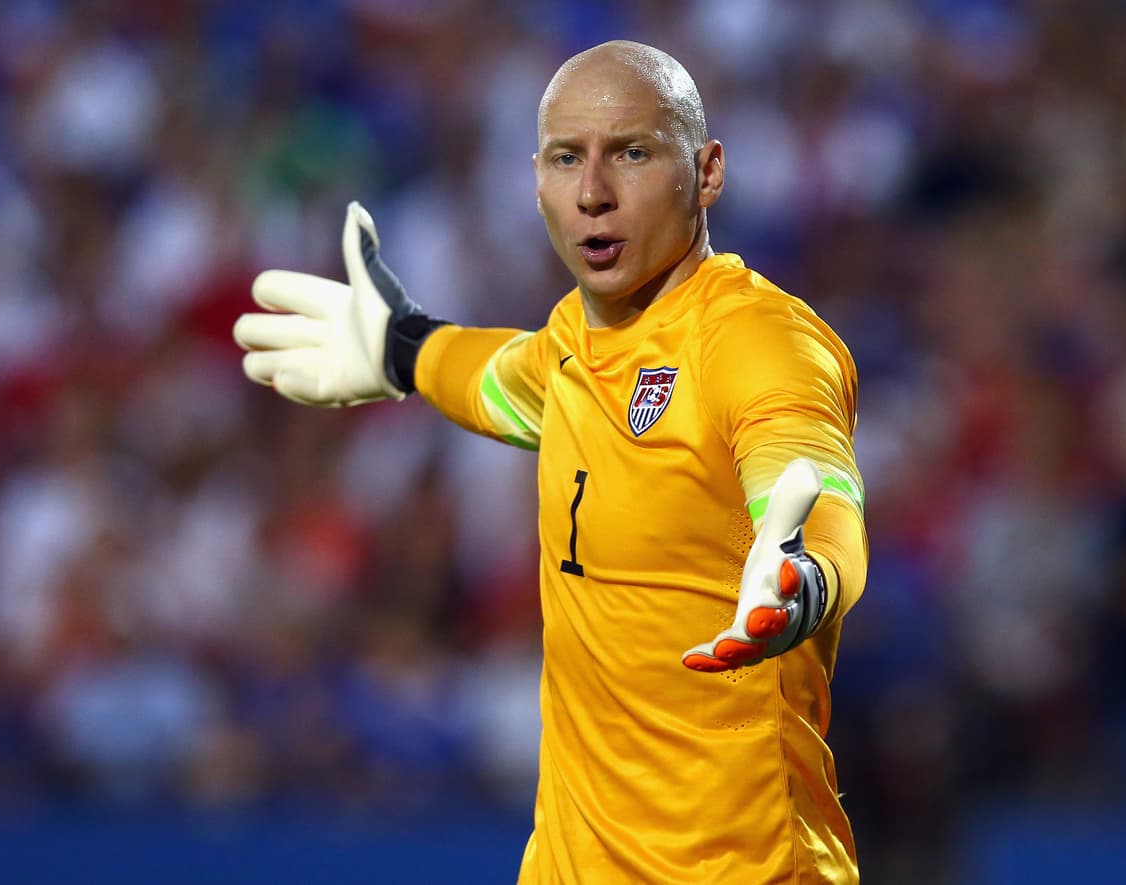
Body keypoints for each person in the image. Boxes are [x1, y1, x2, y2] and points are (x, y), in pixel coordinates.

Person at [234, 40, 867, 885]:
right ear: (536, 179)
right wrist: (404, 349)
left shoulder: (758, 342)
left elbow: (815, 487)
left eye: (632, 154)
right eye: (568, 159)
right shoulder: (574, 343)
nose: (593, 192)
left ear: (707, 172)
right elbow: (499, 381)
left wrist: (804, 579)